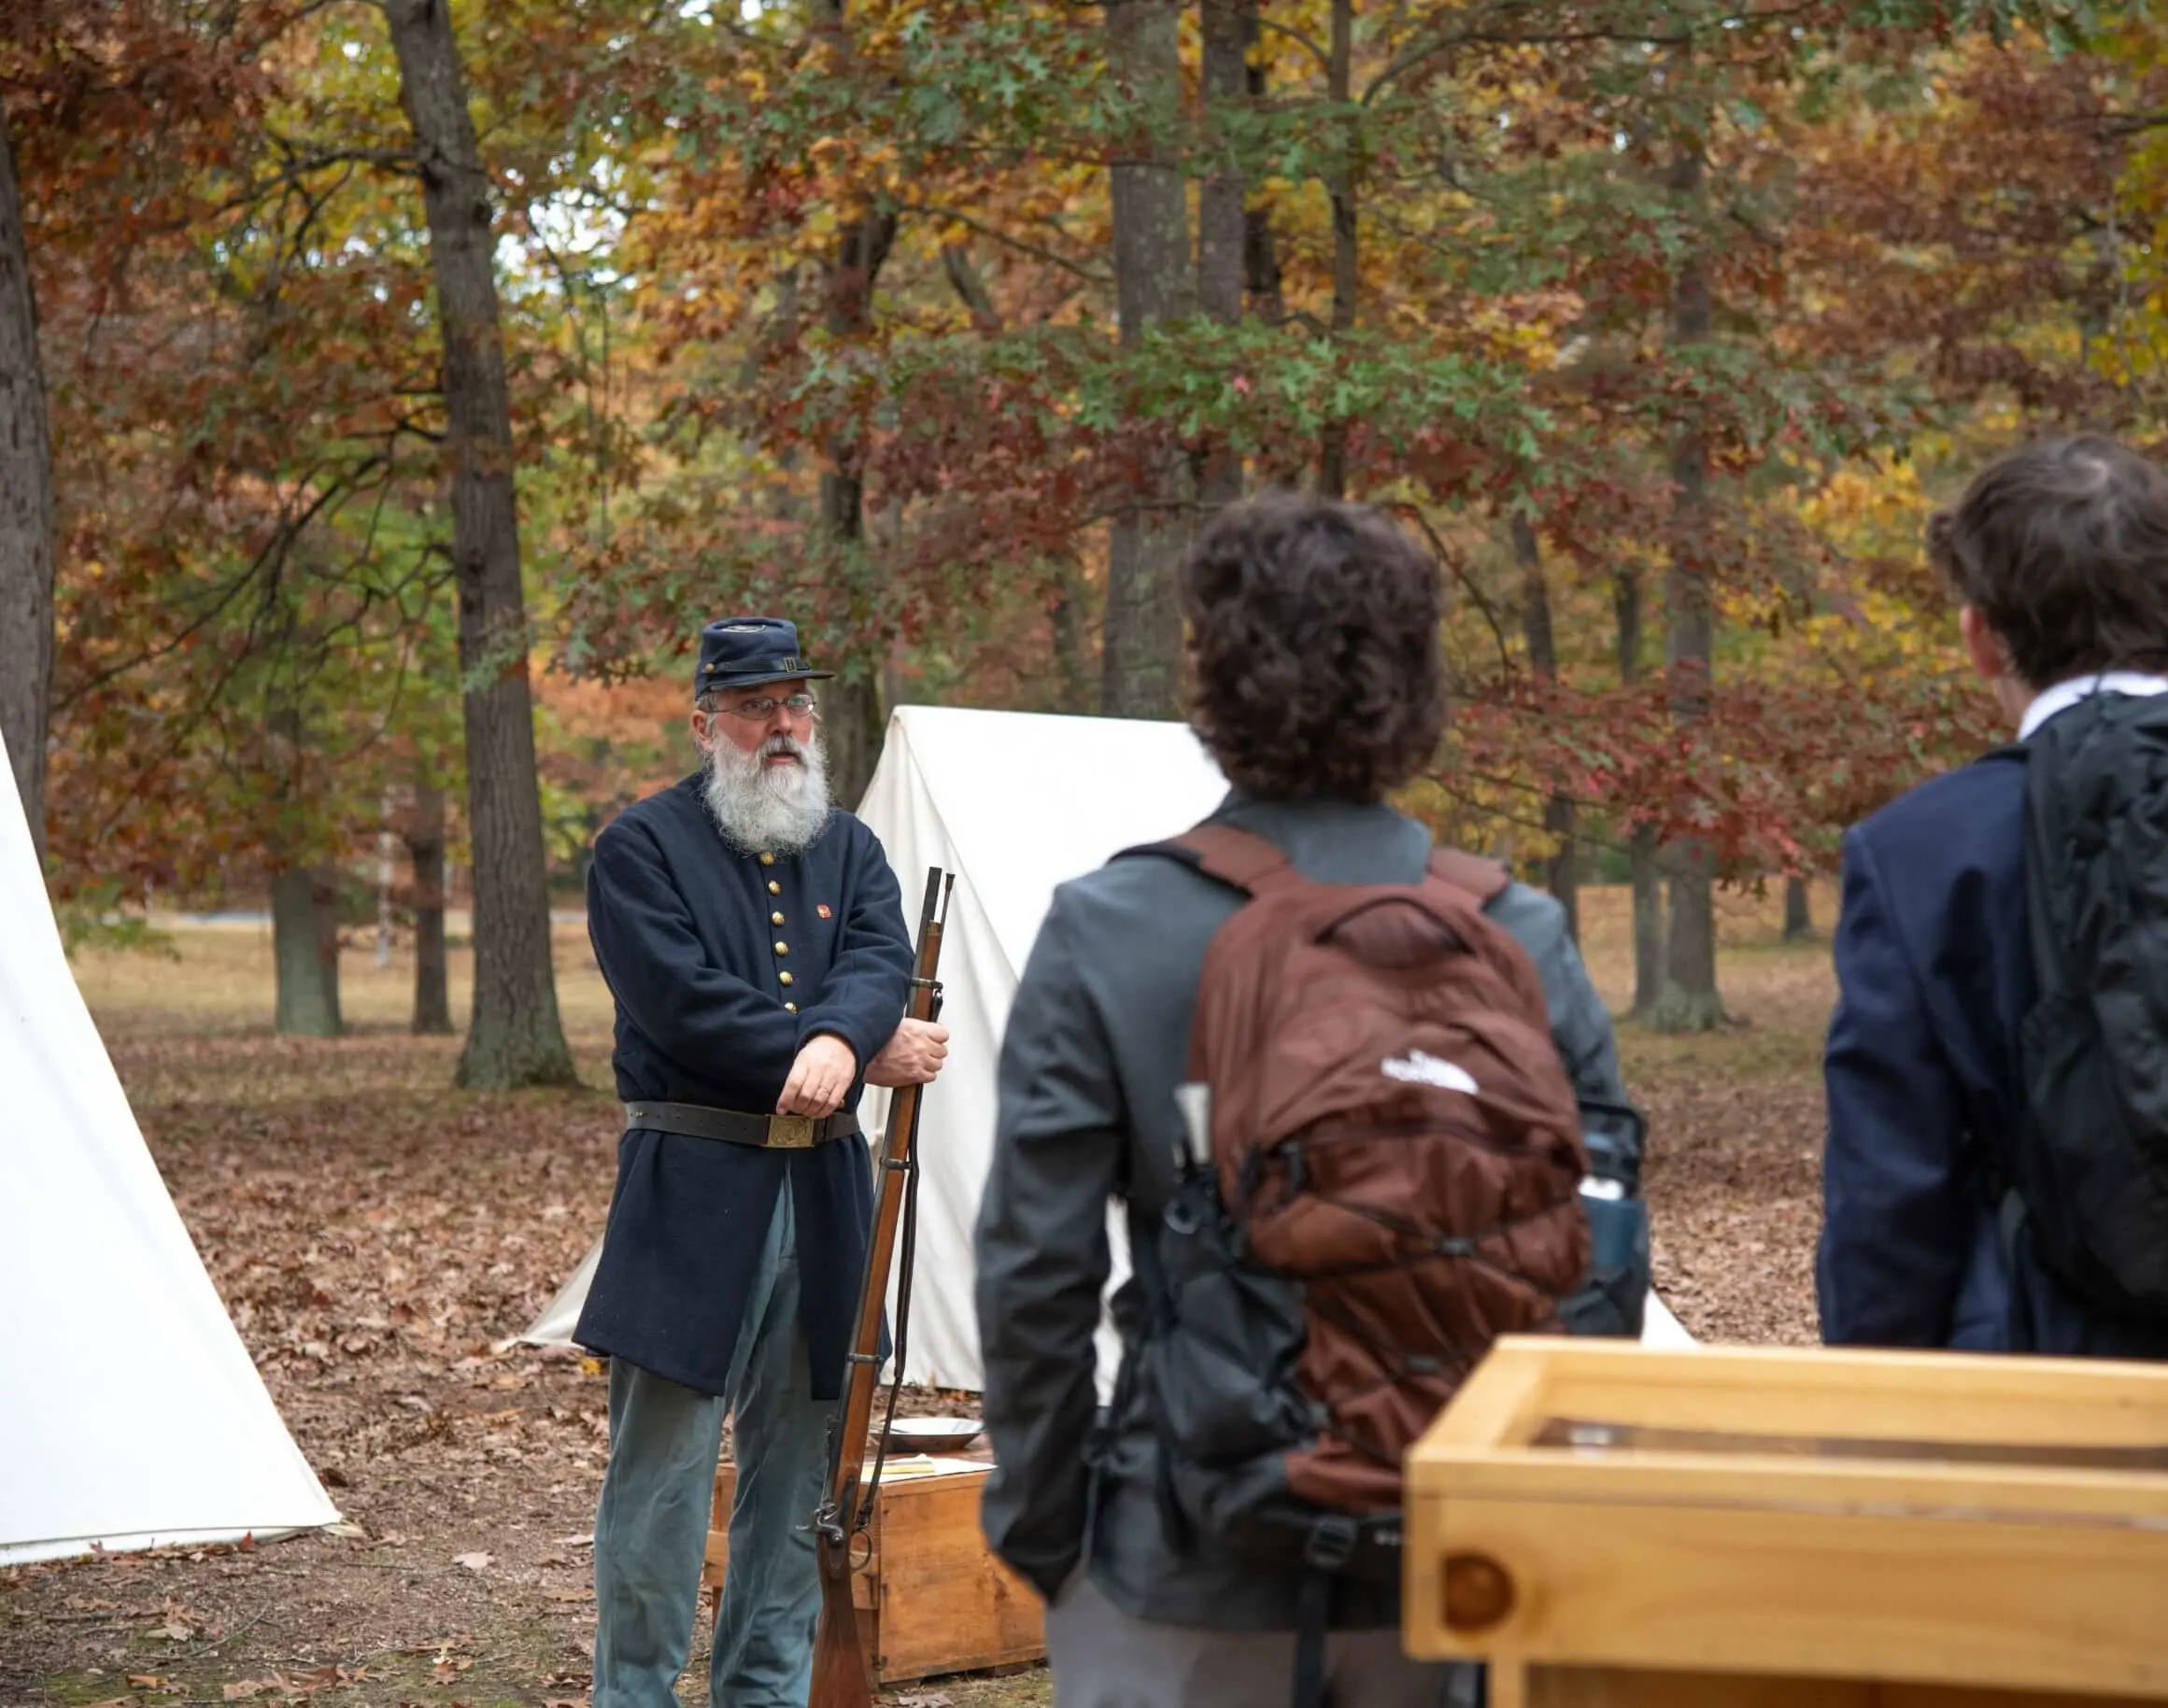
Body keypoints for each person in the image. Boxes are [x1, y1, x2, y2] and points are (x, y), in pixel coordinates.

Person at [975, 493, 1639, 1708]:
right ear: (1418, 683)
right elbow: (1602, 1258)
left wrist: (1051, 1531)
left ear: (1212, 685)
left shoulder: (1110, 929)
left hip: (1182, 1555)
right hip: (1457, 1561)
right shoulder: (1520, 932)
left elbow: (1035, 1271)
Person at [1817, 437, 2168, 1695]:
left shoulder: (1930, 850)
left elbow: (1893, 1206)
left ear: (1979, 637)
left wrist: (1878, 1455)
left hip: (2050, 1440)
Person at [578, 615, 949, 1708]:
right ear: (705, 723)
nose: (782, 724)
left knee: (799, 1480)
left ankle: (763, 1695)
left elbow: (881, 950)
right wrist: (845, 1040)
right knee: (662, 1489)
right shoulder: (637, 848)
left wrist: (841, 1037)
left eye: (794, 703)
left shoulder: (849, 846)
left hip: (825, 1190)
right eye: (754, 706)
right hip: (694, 1190)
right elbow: (684, 1004)